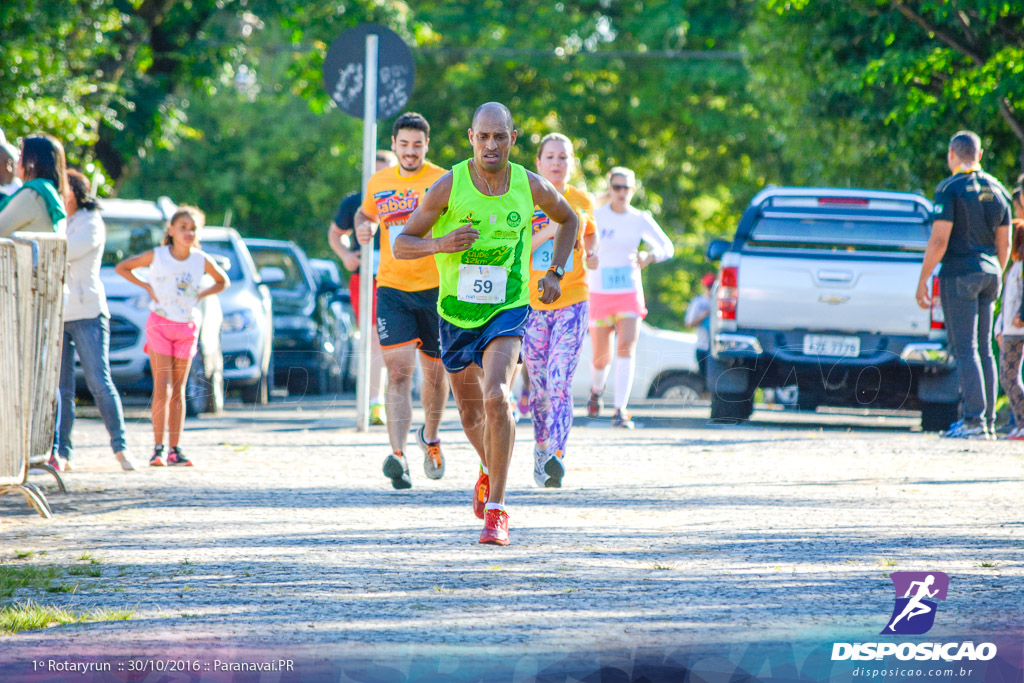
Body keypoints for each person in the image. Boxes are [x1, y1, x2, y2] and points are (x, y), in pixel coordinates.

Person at [393, 102, 580, 545]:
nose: (492, 144)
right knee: (471, 414)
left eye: (501, 136)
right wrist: (441, 242)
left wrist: (555, 271)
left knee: (498, 396)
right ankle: (486, 465)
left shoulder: (527, 184)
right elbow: (402, 244)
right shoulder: (449, 185)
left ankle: (496, 511)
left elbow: (570, 219)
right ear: (471, 138)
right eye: (484, 136)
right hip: (456, 313)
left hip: (508, 308)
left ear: (513, 139)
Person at [354, 113, 450, 488]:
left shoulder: (443, 180)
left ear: (427, 145)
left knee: (436, 375)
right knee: (397, 373)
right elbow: (367, 214)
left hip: (437, 289)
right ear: (393, 145)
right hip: (392, 288)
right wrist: (365, 227)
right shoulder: (379, 182)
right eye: (404, 144)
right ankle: (398, 456)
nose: (410, 152)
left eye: (417, 145)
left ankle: (431, 437)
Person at [115, 206, 229, 466]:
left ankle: (176, 448)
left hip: (186, 325)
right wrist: (147, 287)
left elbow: (223, 281)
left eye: (193, 228)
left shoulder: (200, 259)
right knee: (162, 386)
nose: (188, 232)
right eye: (183, 227)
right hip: (160, 324)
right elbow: (124, 267)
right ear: (171, 230)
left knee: (178, 388)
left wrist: (200, 294)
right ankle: (158, 448)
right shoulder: (158, 256)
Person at [915, 131, 1010, 439]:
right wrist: (996, 270)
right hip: (991, 272)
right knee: (985, 349)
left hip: (960, 273)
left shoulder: (949, 188)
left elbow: (940, 239)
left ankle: (973, 420)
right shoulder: (999, 189)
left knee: (965, 348)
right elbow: (1004, 244)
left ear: (951, 155)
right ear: (979, 155)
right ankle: (988, 422)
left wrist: (923, 280)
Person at [522, 132, 598, 488]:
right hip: (534, 305)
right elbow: (517, 246)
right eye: (550, 157)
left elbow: (590, 236)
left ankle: (557, 455)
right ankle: (541, 446)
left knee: (559, 382)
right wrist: (550, 232)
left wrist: (592, 251)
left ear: (571, 163)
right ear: (538, 163)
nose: (556, 163)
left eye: (563, 157)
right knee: (538, 391)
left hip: (572, 299)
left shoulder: (582, 201)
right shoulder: (525, 198)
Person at [53, 170, 136, 472]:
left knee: (99, 382)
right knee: (62, 390)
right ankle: (61, 453)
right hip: (60, 312)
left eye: (62, 188)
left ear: (74, 192)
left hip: (87, 312)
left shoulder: (90, 223)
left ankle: (120, 447)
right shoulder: (62, 220)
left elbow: (64, 252)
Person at [586, 167, 674, 428]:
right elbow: (581, 245)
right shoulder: (596, 216)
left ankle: (620, 410)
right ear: (610, 188)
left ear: (633, 190)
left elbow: (667, 246)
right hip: (600, 292)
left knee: (626, 347)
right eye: (617, 187)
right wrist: (587, 259)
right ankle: (596, 389)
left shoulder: (640, 218)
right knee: (601, 356)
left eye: (626, 188)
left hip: (628, 291)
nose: (621, 192)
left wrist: (649, 256)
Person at [328, 149, 397, 425]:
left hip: (402, 277)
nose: (381, 175)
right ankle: (374, 403)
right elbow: (335, 233)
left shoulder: (406, 198)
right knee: (374, 338)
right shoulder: (355, 202)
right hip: (366, 278)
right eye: (375, 170)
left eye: (386, 169)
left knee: (399, 341)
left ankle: (396, 399)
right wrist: (346, 255)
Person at [994, 186, 1024, 439]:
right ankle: (1019, 422)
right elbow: (1004, 302)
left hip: (1018, 328)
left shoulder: (1021, 268)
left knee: (1011, 377)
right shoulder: (1012, 269)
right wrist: (998, 327)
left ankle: (1023, 422)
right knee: (1007, 377)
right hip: (1009, 328)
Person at [0, 134, 68, 237]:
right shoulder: (50, 194)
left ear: (32, 162)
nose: (17, 162)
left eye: (21, 156)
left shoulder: (32, 195)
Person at [685, 272, 716, 381]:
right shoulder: (699, 302)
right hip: (703, 347)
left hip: (717, 348)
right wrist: (704, 314)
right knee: (703, 380)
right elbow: (689, 324)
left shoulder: (720, 302)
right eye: (709, 286)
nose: (711, 289)